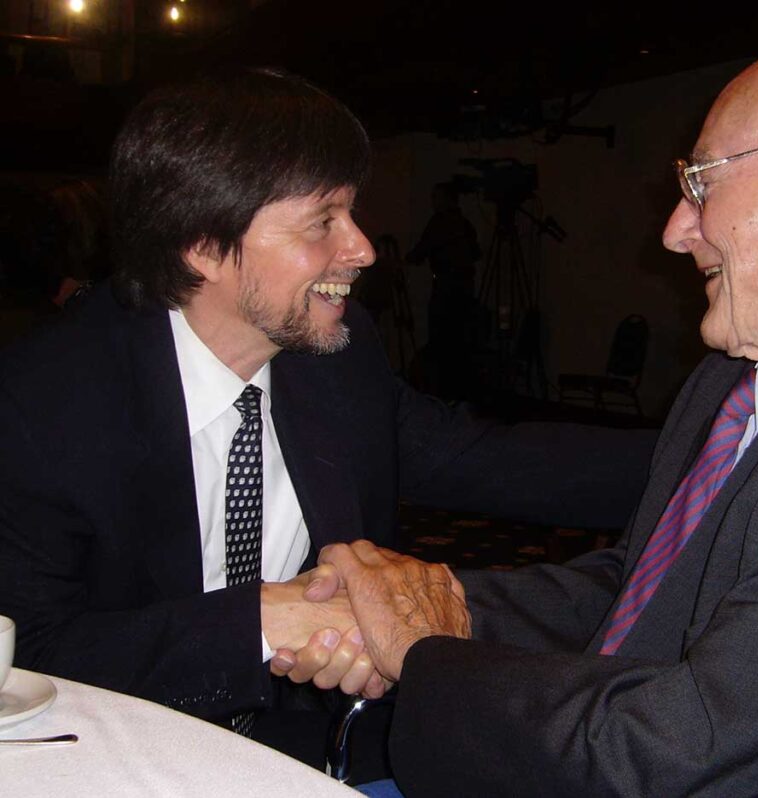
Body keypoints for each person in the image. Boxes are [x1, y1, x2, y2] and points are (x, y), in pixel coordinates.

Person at [302, 39, 758, 796]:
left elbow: (678, 760)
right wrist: (434, 597)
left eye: (702, 182)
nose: (676, 230)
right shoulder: (738, 380)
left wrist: (421, 650)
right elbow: (642, 589)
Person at [0, 68, 655, 772]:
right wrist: (264, 619)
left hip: (315, 746)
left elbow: (488, 458)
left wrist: (724, 452)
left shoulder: (336, 359)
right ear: (202, 244)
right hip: (106, 761)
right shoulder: (40, 402)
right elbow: (29, 654)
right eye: (323, 221)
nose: (363, 248)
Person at [405, 182, 482, 398]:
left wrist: (405, 259)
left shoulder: (440, 222)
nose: (433, 202)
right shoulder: (465, 224)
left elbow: (421, 251)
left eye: (436, 197)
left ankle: (443, 391)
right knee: (459, 339)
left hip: (447, 287)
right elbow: (476, 253)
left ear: (447, 199)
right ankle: (460, 390)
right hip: (465, 288)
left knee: (442, 338)